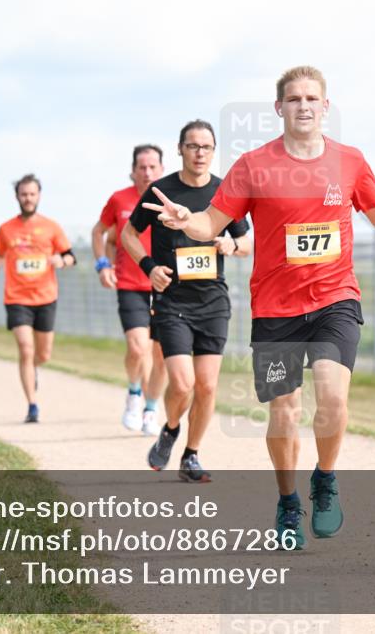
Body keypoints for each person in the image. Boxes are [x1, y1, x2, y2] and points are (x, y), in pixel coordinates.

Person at [144, 68, 375, 545]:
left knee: (332, 399)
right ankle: (288, 502)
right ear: (279, 108)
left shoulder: (349, 161)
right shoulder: (253, 166)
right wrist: (188, 220)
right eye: (293, 98)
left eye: (312, 98)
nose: (303, 105)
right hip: (275, 308)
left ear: (325, 107)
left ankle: (324, 479)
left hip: (335, 299)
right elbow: (212, 222)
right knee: (284, 413)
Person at [123, 120, 252, 483]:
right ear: (180, 149)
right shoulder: (160, 191)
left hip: (213, 301)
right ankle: (171, 428)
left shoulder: (224, 191)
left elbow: (246, 242)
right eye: (193, 146)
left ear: (214, 151)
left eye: (207, 147)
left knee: (208, 386)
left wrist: (231, 244)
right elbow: (129, 233)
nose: (200, 153)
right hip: (173, 302)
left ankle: (191, 455)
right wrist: (149, 267)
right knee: (182, 384)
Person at [93, 145, 169, 435]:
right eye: (142, 167)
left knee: (160, 354)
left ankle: (151, 408)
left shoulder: (171, 199)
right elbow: (99, 233)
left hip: (165, 285)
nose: (147, 172)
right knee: (138, 348)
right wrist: (103, 264)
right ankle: (134, 393)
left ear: (161, 169)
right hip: (130, 284)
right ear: (133, 170)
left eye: (152, 167)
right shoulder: (119, 199)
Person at [0, 174, 76, 423]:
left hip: (46, 296)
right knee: (26, 349)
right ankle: (32, 405)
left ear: (39, 196)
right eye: (24, 194)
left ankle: (34, 368)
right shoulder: (6, 229)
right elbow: (0, 255)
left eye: (32, 194)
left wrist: (62, 260)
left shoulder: (51, 227)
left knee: (43, 354)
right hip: (16, 298)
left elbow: (71, 256)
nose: (28, 198)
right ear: (17, 197)